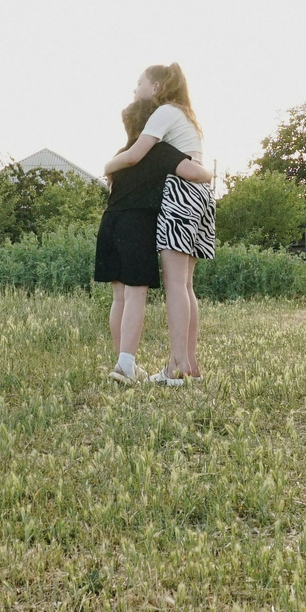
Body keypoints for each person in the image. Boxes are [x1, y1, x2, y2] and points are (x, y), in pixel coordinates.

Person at [103, 63, 215, 385]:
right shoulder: (185, 115)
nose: (135, 90)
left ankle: (177, 367)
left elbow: (135, 155)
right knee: (186, 284)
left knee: (175, 283)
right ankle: (188, 364)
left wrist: (108, 164)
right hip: (200, 194)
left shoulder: (164, 112)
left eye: (139, 83)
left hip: (180, 191)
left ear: (155, 87)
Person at [94, 93, 185, 382]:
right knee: (136, 293)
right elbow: (196, 173)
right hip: (136, 224)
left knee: (119, 296)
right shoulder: (161, 151)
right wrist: (206, 168)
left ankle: (123, 361)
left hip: (110, 223)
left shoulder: (119, 155)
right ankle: (125, 365)